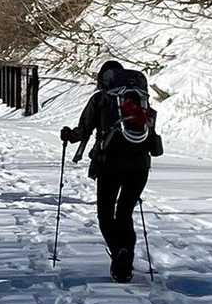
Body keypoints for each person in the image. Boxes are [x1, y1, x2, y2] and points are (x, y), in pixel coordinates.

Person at [60, 59, 162, 283]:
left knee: (106, 214)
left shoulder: (101, 99)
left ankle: (119, 253)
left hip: (109, 163)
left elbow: (82, 131)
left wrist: (68, 135)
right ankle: (126, 261)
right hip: (140, 165)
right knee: (125, 213)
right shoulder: (140, 99)